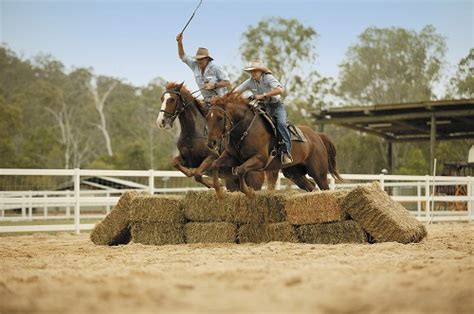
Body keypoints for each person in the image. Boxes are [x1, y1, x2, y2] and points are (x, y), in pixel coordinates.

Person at [235, 60, 293, 165]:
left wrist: (264, 95)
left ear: (261, 71)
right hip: (262, 107)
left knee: (281, 124)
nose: (253, 73)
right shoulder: (249, 82)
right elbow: (236, 92)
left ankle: (286, 152)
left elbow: (280, 90)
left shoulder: (268, 78)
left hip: (276, 106)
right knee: (251, 122)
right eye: (251, 71)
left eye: (255, 71)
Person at [176, 33, 230, 105]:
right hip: (206, 102)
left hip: (221, 101)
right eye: (198, 59)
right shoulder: (194, 65)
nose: (199, 61)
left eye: (201, 59)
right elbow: (183, 56)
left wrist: (214, 85)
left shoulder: (216, 69)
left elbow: (227, 83)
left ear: (207, 59)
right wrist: (179, 42)